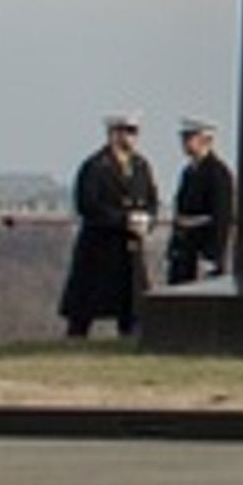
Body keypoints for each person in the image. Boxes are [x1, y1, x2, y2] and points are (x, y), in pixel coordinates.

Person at [62, 114, 158, 338]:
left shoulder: (141, 166)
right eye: (127, 131)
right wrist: (123, 220)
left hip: (130, 246)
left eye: (134, 132)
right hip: (100, 247)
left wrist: (147, 221)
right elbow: (88, 204)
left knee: (131, 305)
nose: (132, 138)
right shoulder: (95, 166)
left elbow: (152, 200)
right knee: (85, 306)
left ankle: (130, 338)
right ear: (114, 134)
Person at [165, 118, 237, 284]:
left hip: (202, 250)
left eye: (190, 138)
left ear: (206, 140)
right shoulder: (189, 172)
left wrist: (212, 255)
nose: (185, 143)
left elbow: (221, 217)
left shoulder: (217, 173)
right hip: (185, 250)